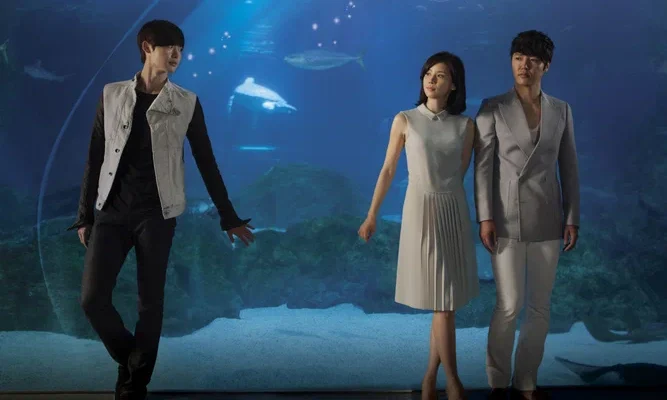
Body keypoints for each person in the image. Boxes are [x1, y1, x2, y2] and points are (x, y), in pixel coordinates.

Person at [67, 20, 255, 400]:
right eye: (170, 47)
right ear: (147, 47)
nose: (177, 55)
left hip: (158, 214)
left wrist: (228, 217)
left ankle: (134, 386)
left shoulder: (186, 102)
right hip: (112, 212)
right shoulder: (112, 94)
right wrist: (84, 215)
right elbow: (94, 157)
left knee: (150, 304)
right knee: (92, 300)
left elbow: (206, 161)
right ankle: (132, 361)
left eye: (181, 49)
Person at [358, 51, 479, 400]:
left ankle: (429, 380)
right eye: (428, 73)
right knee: (444, 303)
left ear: (453, 84)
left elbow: (461, 171)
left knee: (445, 302)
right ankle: (453, 382)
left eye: (440, 75)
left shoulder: (466, 126)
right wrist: (372, 214)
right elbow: (388, 169)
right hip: (420, 209)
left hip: (452, 209)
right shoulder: (405, 119)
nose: (431, 79)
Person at [473, 30, 580, 400]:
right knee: (508, 304)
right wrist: (485, 217)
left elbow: (569, 167)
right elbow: (482, 168)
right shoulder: (492, 107)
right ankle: (497, 381)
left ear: (546, 66)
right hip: (505, 218)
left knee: (539, 308)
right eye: (518, 57)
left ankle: (526, 382)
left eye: (533, 60)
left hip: (549, 217)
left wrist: (572, 216)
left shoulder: (562, 110)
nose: (524, 65)